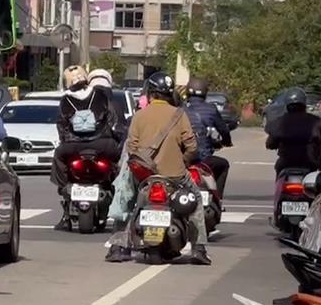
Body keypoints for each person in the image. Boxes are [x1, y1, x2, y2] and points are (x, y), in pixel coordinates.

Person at [106, 72, 210, 265]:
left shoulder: (140, 115)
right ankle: (199, 248)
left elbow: (132, 147)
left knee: (126, 199)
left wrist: (143, 167)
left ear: (150, 93)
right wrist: (182, 161)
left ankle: (118, 247)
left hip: (144, 176)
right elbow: (192, 147)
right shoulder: (180, 115)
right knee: (194, 201)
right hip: (175, 176)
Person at [51, 66, 122, 231]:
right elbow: (112, 119)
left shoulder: (65, 100)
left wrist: (66, 141)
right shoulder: (100, 95)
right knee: (118, 158)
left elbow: (61, 125)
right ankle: (115, 187)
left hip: (73, 145)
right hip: (102, 143)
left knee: (58, 155)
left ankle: (64, 187)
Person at [181, 77, 233, 199]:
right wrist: (227, 141)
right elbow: (224, 130)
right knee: (223, 165)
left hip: (185, 159)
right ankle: (217, 198)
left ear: (187, 92)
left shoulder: (181, 110)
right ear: (205, 93)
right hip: (204, 160)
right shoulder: (211, 109)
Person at [265, 88, 320, 176]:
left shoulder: (280, 122)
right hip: (309, 163)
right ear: (304, 104)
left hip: (287, 162)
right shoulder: (315, 121)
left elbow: (270, 143)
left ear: (287, 105)